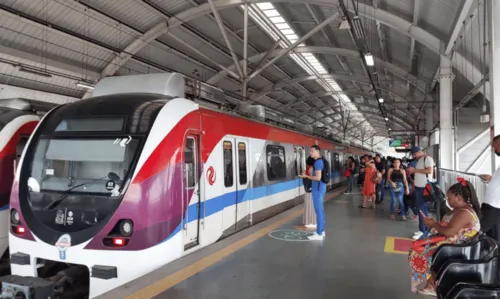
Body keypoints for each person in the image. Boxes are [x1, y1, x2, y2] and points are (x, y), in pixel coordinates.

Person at [408, 179, 481, 296]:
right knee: (420, 245)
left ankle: (433, 284)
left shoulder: (464, 213)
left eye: (449, 198)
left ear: (459, 198)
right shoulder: (461, 209)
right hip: (454, 243)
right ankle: (432, 282)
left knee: (420, 250)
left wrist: (433, 225)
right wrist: (434, 224)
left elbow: (449, 232)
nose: (448, 200)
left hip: (457, 247)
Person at [407, 147, 435, 240]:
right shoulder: (419, 160)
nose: (414, 156)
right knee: (422, 209)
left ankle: (423, 231)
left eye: (415, 154)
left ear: (420, 152)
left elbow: (429, 171)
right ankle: (425, 229)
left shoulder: (427, 159)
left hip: (424, 188)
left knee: (421, 209)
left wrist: (415, 170)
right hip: (419, 187)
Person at [299, 145, 326, 240]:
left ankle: (319, 234)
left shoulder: (318, 163)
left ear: (317, 151)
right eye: (309, 151)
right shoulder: (319, 161)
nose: (310, 152)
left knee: (319, 212)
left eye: (312, 151)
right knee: (320, 211)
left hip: (318, 189)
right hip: (319, 189)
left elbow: (318, 178)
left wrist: (306, 176)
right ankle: (321, 231)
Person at [478, 134, 500, 240]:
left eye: (495, 145)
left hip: (495, 206)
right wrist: (491, 179)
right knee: (494, 237)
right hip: (492, 205)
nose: (493, 149)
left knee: (477, 232)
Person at [303, 156, 317, 229]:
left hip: (309, 190)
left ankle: (310, 221)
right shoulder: (312, 169)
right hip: (311, 190)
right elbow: (313, 178)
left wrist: (305, 176)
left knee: (309, 205)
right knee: (311, 205)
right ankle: (311, 221)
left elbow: (310, 178)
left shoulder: (309, 169)